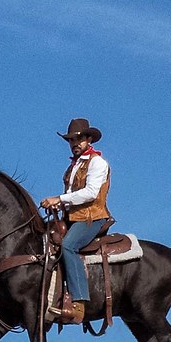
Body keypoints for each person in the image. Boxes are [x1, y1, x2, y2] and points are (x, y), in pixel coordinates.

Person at [40, 116, 111, 319]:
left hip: (92, 218)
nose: (74, 144)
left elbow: (90, 193)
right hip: (71, 217)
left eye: (78, 140)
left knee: (69, 246)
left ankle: (78, 305)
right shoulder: (73, 167)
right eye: (71, 141)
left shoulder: (97, 163)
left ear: (88, 139)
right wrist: (59, 203)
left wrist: (59, 199)